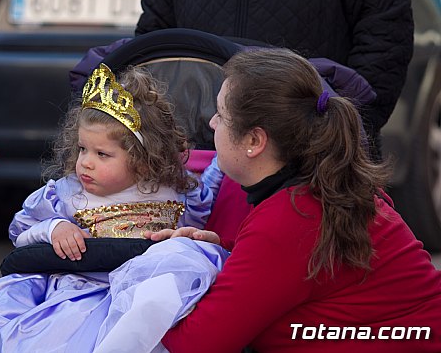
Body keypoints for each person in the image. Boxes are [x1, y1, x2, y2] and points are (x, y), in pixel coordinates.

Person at [145, 48, 441, 352]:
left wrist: (159, 283)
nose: (212, 124)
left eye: (221, 114)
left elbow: (195, 345)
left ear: (254, 141)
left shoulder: (289, 217)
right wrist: (217, 254)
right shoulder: (324, 187)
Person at [0, 64, 226, 352]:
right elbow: (21, 232)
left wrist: (221, 162)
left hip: (144, 298)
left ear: (142, 160)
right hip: (78, 294)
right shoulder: (68, 195)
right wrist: (55, 228)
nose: (85, 162)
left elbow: (205, 207)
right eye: (83, 149)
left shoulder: (176, 191)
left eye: (102, 154)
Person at [136, 0, 414, 161]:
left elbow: (386, 38)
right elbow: (155, 38)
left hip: (311, 161)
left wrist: (338, 134)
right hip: (197, 160)